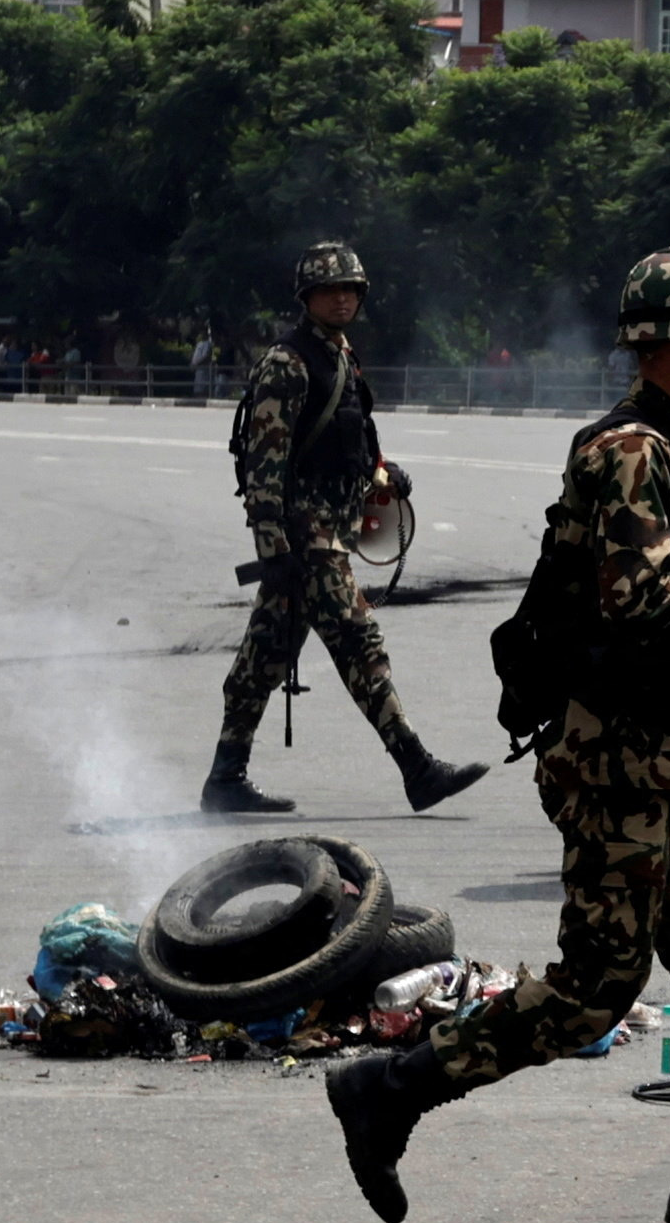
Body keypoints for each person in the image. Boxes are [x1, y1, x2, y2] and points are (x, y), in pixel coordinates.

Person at [327, 245, 670, 1223]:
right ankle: (388, 1089)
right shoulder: (626, 453)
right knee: (596, 987)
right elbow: (634, 603)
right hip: (615, 757)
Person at [202, 240, 486, 818]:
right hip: (305, 538)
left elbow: (349, 443)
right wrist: (274, 548)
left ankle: (225, 777)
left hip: (331, 528)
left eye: (351, 289)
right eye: (331, 289)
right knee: (358, 640)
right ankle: (417, 769)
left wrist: (384, 474)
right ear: (307, 297)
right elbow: (264, 467)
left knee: (264, 655)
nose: (342, 298)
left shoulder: (340, 356)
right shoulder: (288, 363)